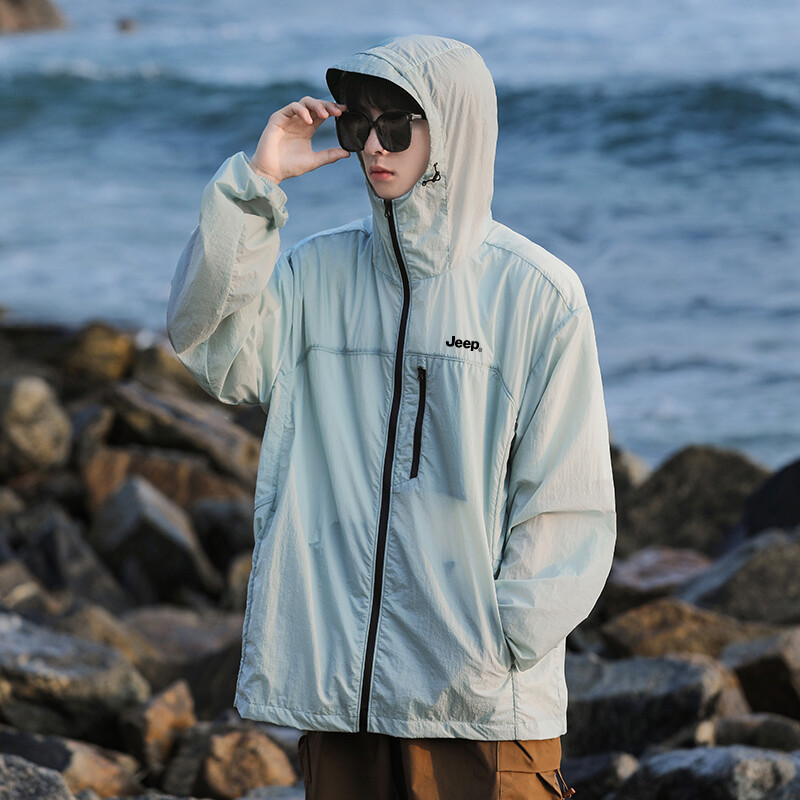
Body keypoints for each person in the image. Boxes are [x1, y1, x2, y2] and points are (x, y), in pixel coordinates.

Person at [168, 34, 616, 800]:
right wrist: (257, 185)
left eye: (398, 125)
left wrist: (498, 644)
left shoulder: (538, 295)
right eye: (359, 125)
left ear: (455, 128)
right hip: (344, 700)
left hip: (479, 708)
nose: (374, 145)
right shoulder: (317, 273)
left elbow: (566, 501)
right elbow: (212, 345)